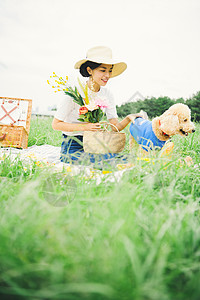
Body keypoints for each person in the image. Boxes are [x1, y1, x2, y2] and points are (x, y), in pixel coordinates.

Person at [52, 46, 140, 165]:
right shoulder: (74, 93)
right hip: (72, 147)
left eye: (110, 70)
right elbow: (56, 124)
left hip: (96, 145)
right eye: (103, 70)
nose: (107, 75)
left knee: (129, 158)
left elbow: (115, 128)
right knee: (107, 162)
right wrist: (85, 127)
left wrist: (129, 118)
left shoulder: (107, 94)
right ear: (89, 70)